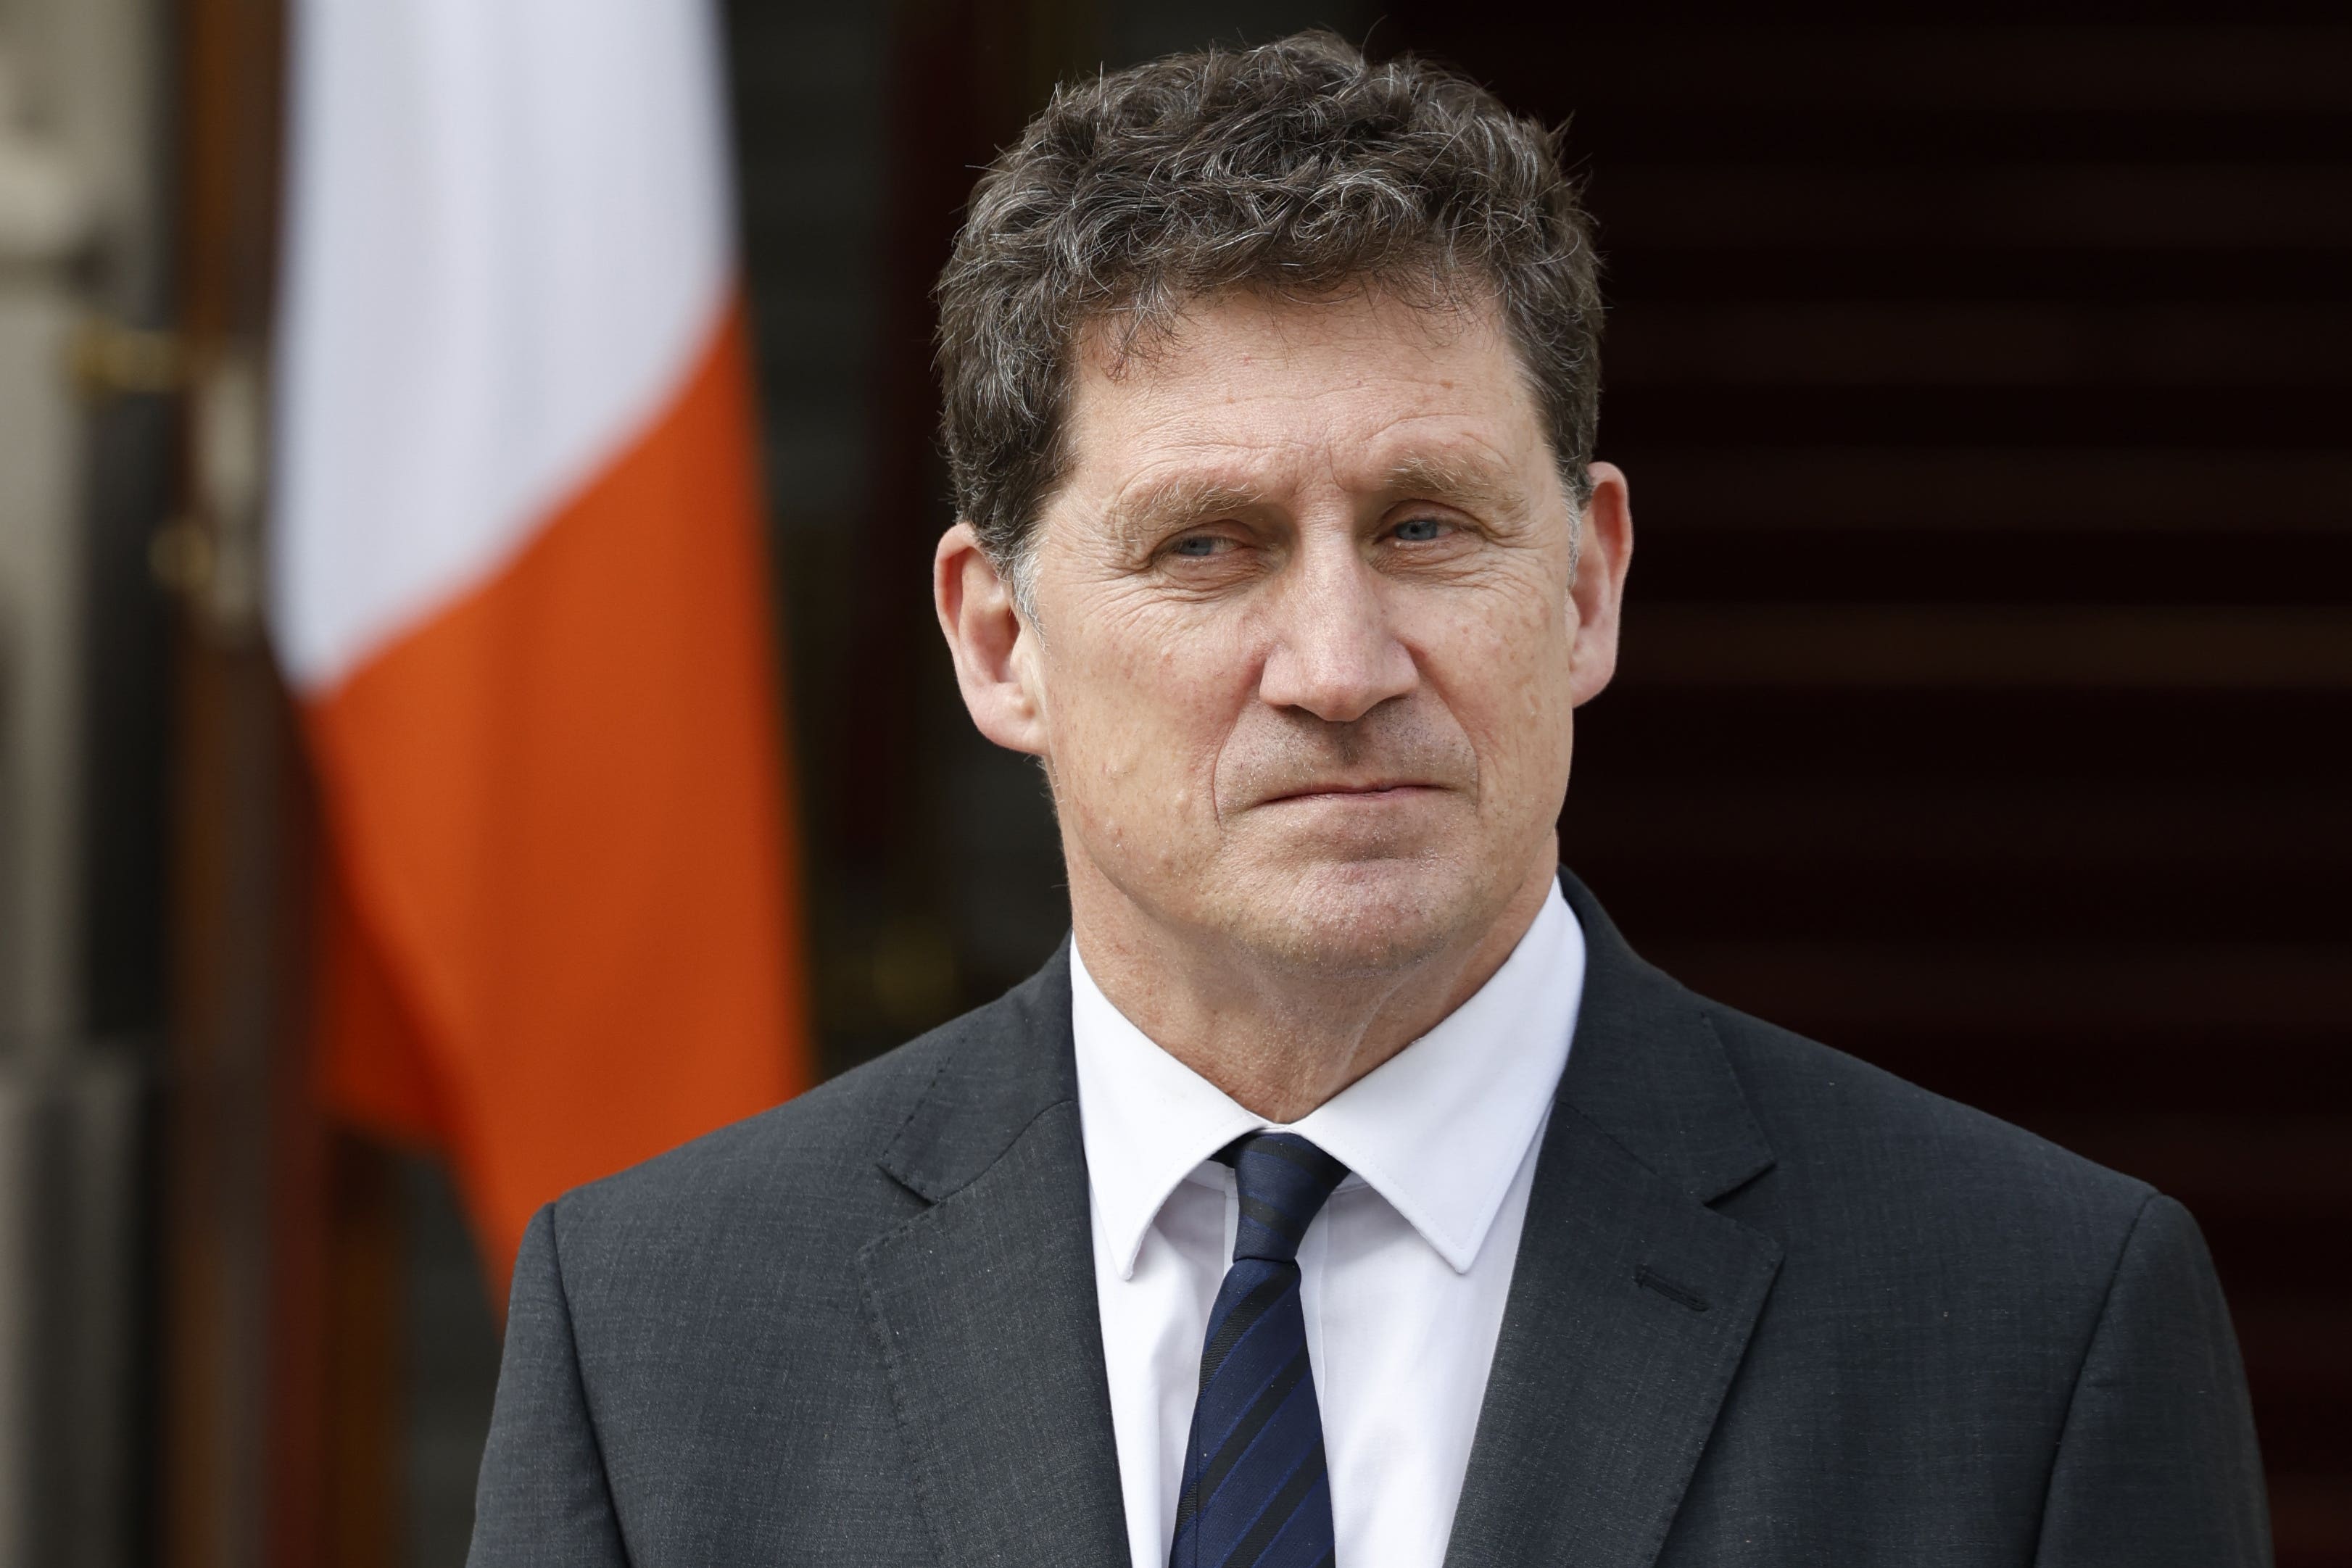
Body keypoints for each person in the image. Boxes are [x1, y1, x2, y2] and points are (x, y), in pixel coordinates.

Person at [467, 33, 2268, 1568]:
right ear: (1000, 639)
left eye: (1423, 526)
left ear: (1583, 584)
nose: (1338, 662)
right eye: (1208, 544)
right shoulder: (660, 1339)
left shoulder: (2033, 1325)